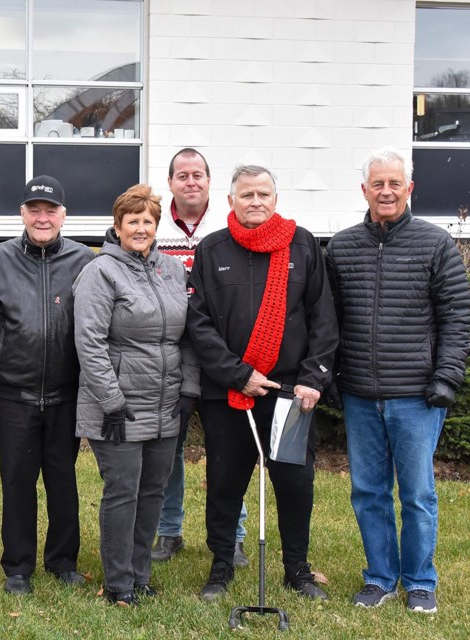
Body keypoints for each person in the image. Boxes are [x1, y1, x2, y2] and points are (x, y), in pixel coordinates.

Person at [325, 147, 470, 614]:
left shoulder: (435, 244)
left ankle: (420, 581)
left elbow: (456, 316)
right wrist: (329, 375)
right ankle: (380, 577)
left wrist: (446, 377)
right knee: (368, 492)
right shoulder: (343, 246)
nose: (386, 191)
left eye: (395, 183)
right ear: (364, 190)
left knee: (417, 494)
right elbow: (328, 320)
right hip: (361, 395)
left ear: (409, 189)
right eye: (377, 184)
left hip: (417, 396)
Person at [187, 164, 338, 602]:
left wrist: (313, 380)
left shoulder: (303, 245)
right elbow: (199, 326)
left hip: (292, 393)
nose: (255, 202)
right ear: (230, 200)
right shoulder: (212, 250)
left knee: (294, 480)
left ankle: (297, 569)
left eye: (263, 194)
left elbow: (324, 321)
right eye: (246, 194)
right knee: (224, 482)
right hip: (228, 391)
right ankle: (220, 566)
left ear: (276, 199)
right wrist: (239, 375)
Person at [0, 175, 94, 595]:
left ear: (63, 216)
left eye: (50, 210)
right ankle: (17, 566)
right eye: (34, 209)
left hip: (67, 394)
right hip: (16, 395)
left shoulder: (84, 261)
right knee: (17, 482)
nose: (42, 217)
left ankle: (62, 561)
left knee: (62, 480)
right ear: (22, 213)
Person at [73, 184, 200, 606]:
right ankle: (118, 584)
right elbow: (89, 342)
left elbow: (188, 335)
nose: (141, 228)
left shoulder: (172, 269)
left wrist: (189, 388)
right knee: (123, 491)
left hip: (165, 404)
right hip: (118, 407)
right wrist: (110, 400)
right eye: (133, 221)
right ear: (118, 226)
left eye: (148, 221)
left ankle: (140, 575)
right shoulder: (100, 272)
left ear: (156, 225)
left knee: (152, 493)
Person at [153, 147, 249, 567]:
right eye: (182, 175)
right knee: (167, 449)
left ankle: (236, 534)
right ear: (170, 182)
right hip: (167, 352)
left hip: (221, 352)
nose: (191, 182)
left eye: (198, 175)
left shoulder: (229, 224)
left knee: (230, 451)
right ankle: (169, 531)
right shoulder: (152, 225)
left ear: (211, 183)